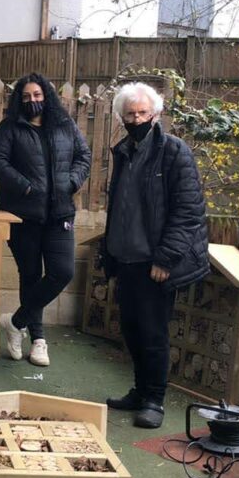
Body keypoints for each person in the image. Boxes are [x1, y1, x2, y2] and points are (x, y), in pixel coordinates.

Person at [97, 81, 209, 429]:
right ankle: (139, 390)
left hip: (155, 263)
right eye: (130, 114)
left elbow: (188, 211)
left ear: (156, 114)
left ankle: (154, 401)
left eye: (142, 113)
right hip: (126, 258)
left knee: (153, 333)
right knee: (131, 329)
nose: (136, 118)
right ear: (122, 117)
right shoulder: (125, 151)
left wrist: (166, 258)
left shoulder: (174, 152)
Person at [0, 73, 90, 367]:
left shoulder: (64, 125)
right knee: (29, 276)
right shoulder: (11, 127)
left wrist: (71, 181)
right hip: (23, 215)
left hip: (60, 214)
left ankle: (15, 322)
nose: (33, 101)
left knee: (62, 272)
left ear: (47, 96)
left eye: (38, 95)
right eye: (27, 97)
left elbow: (84, 156)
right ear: (20, 100)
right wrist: (25, 185)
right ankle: (39, 340)